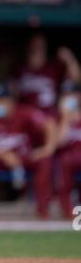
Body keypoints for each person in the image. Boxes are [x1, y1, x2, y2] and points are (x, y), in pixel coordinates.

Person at [0, 83, 55, 218]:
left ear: (11, 101)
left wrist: (48, 148)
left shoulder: (24, 112)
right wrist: (5, 155)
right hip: (1, 159)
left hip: (25, 157)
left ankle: (43, 210)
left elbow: (49, 124)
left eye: (1, 100)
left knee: (44, 161)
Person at [13, 33, 81, 117]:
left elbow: (76, 79)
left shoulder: (53, 67)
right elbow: (12, 91)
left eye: (40, 46)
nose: (37, 49)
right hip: (25, 116)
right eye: (34, 45)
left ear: (45, 48)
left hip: (48, 116)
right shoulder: (20, 68)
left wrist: (70, 59)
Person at [55, 82, 81, 218]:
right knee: (64, 161)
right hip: (69, 156)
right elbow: (60, 142)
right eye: (66, 95)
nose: (70, 98)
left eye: (72, 94)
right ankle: (67, 211)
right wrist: (66, 118)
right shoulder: (60, 117)